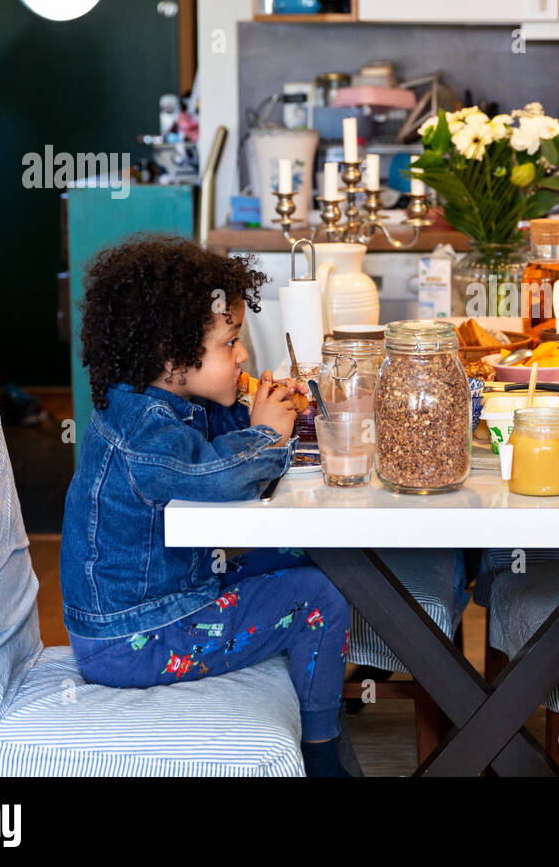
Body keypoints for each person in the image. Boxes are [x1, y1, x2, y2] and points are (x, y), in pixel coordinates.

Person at [60, 235, 357, 777]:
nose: (243, 355)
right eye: (230, 342)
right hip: (133, 638)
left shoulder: (166, 402)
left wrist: (253, 409)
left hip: (165, 601)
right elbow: (220, 476)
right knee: (319, 596)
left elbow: (214, 447)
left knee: (310, 556)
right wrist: (266, 434)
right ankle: (322, 755)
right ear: (172, 356)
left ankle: (317, 707)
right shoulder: (142, 430)